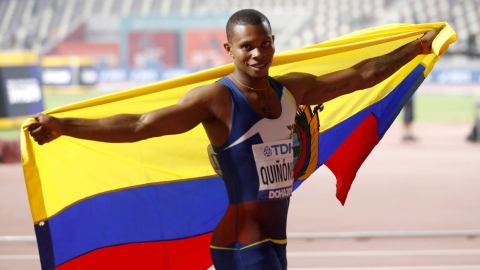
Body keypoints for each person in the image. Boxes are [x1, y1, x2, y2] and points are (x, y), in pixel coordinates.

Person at [29, 9, 443, 270]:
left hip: (275, 239)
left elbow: (361, 76)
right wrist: (68, 126)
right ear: (230, 48)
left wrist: (416, 48)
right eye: (247, 47)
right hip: (241, 243)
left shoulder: (291, 90)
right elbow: (141, 125)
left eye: (265, 44)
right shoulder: (217, 99)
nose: (258, 54)